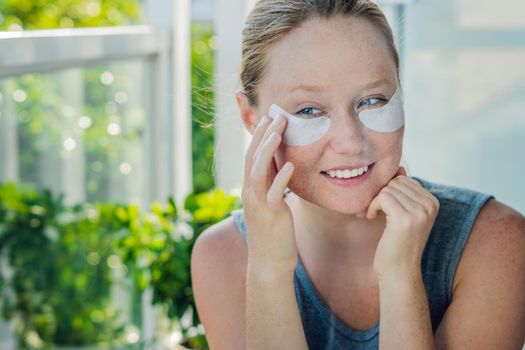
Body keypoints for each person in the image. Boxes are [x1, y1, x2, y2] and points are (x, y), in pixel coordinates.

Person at [190, 0, 525, 349]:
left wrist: (400, 276)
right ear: (251, 118)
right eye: (308, 109)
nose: (350, 142)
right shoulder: (223, 256)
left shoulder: (494, 243)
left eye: (372, 100)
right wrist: (269, 268)